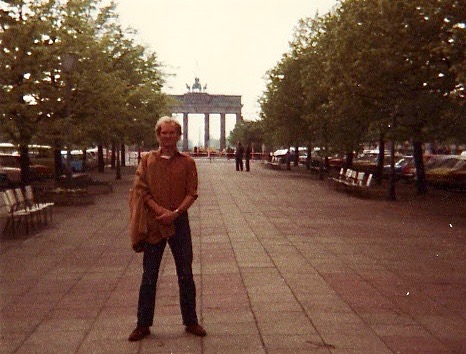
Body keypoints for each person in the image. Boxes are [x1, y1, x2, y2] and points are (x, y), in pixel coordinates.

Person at [128, 116, 206, 342]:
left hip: (179, 222)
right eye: (164, 133)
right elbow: (141, 189)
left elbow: (192, 192)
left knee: (186, 273)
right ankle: (142, 324)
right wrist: (159, 211)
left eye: (172, 133)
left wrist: (175, 213)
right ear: (158, 135)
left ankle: (191, 320)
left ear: (179, 136)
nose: (168, 136)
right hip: (155, 223)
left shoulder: (188, 162)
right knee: (149, 274)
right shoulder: (147, 160)